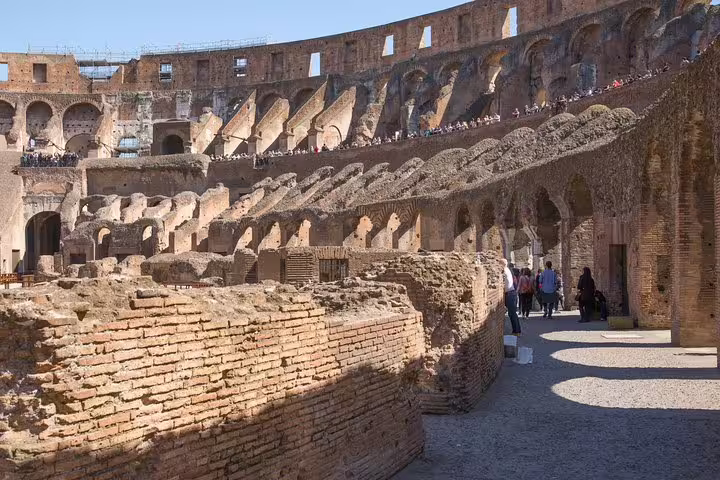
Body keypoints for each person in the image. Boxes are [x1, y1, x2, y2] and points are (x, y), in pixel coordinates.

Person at [502, 259, 521, 335]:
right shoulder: (507, 270)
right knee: (512, 313)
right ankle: (516, 330)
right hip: (511, 293)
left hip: (510, 294)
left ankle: (517, 331)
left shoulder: (505, 271)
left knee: (512, 313)